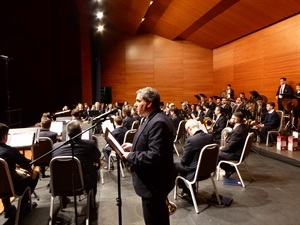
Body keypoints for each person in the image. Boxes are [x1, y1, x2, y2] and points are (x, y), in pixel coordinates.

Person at [122, 87, 175, 225]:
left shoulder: (158, 122)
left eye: (138, 101)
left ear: (149, 103)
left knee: (155, 220)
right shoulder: (149, 118)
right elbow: (147, 143)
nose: (135, 104)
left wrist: (130, 156)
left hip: (154, 183)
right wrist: (132, 147)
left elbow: (155, 156)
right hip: (152, 181)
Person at [52, 120, 101, 207]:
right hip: (81, 185)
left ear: (67, 133)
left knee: (64, 172)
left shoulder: (55, 147)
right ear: (81, 132)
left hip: (59, 185)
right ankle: (91, 202)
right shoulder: (89, 144)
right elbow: (98, 156)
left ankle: (63, 199)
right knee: (94, 171)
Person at [0, 123, 39, 219]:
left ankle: (8, 207)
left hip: (1, 186)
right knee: (35, 174)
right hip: (11, 188)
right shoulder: (10, 151)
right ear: (5, 136)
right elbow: (27, 165)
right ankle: (24, 206)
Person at [174, 119, 214, 196]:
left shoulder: (190, 140)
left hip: (195, 171)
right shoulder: (210, 137)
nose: (188, 133)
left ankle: (187, 191)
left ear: (190, 128)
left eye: (187, 131)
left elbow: (184, 161)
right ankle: (191, 189)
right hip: (208, 170)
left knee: (174, 166)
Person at [218, 112, 248, 178]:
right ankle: (229, 170)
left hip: (236, 154)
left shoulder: (238, 131)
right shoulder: (243, 127)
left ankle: (230, 169)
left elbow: (230, 147)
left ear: (236, 120)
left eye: (232, 118)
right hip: (238, 151)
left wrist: (222, 148)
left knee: (215, 155)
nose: (230, 119)